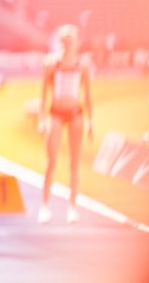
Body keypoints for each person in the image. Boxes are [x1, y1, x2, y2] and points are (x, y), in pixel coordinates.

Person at [37, 24, 93, 224]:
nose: (69, 44)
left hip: (76, 114)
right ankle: (45, 205)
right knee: (51, 160)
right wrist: (41, 119)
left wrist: (91, 121)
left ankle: (72, 207)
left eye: (72, 40)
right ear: (61, 42)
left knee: (74, 162)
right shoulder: (51, 63)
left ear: (77, 41)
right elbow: (44, 93)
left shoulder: (83, 64)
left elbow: (87, 93)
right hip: (56, 114)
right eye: (65, 40)